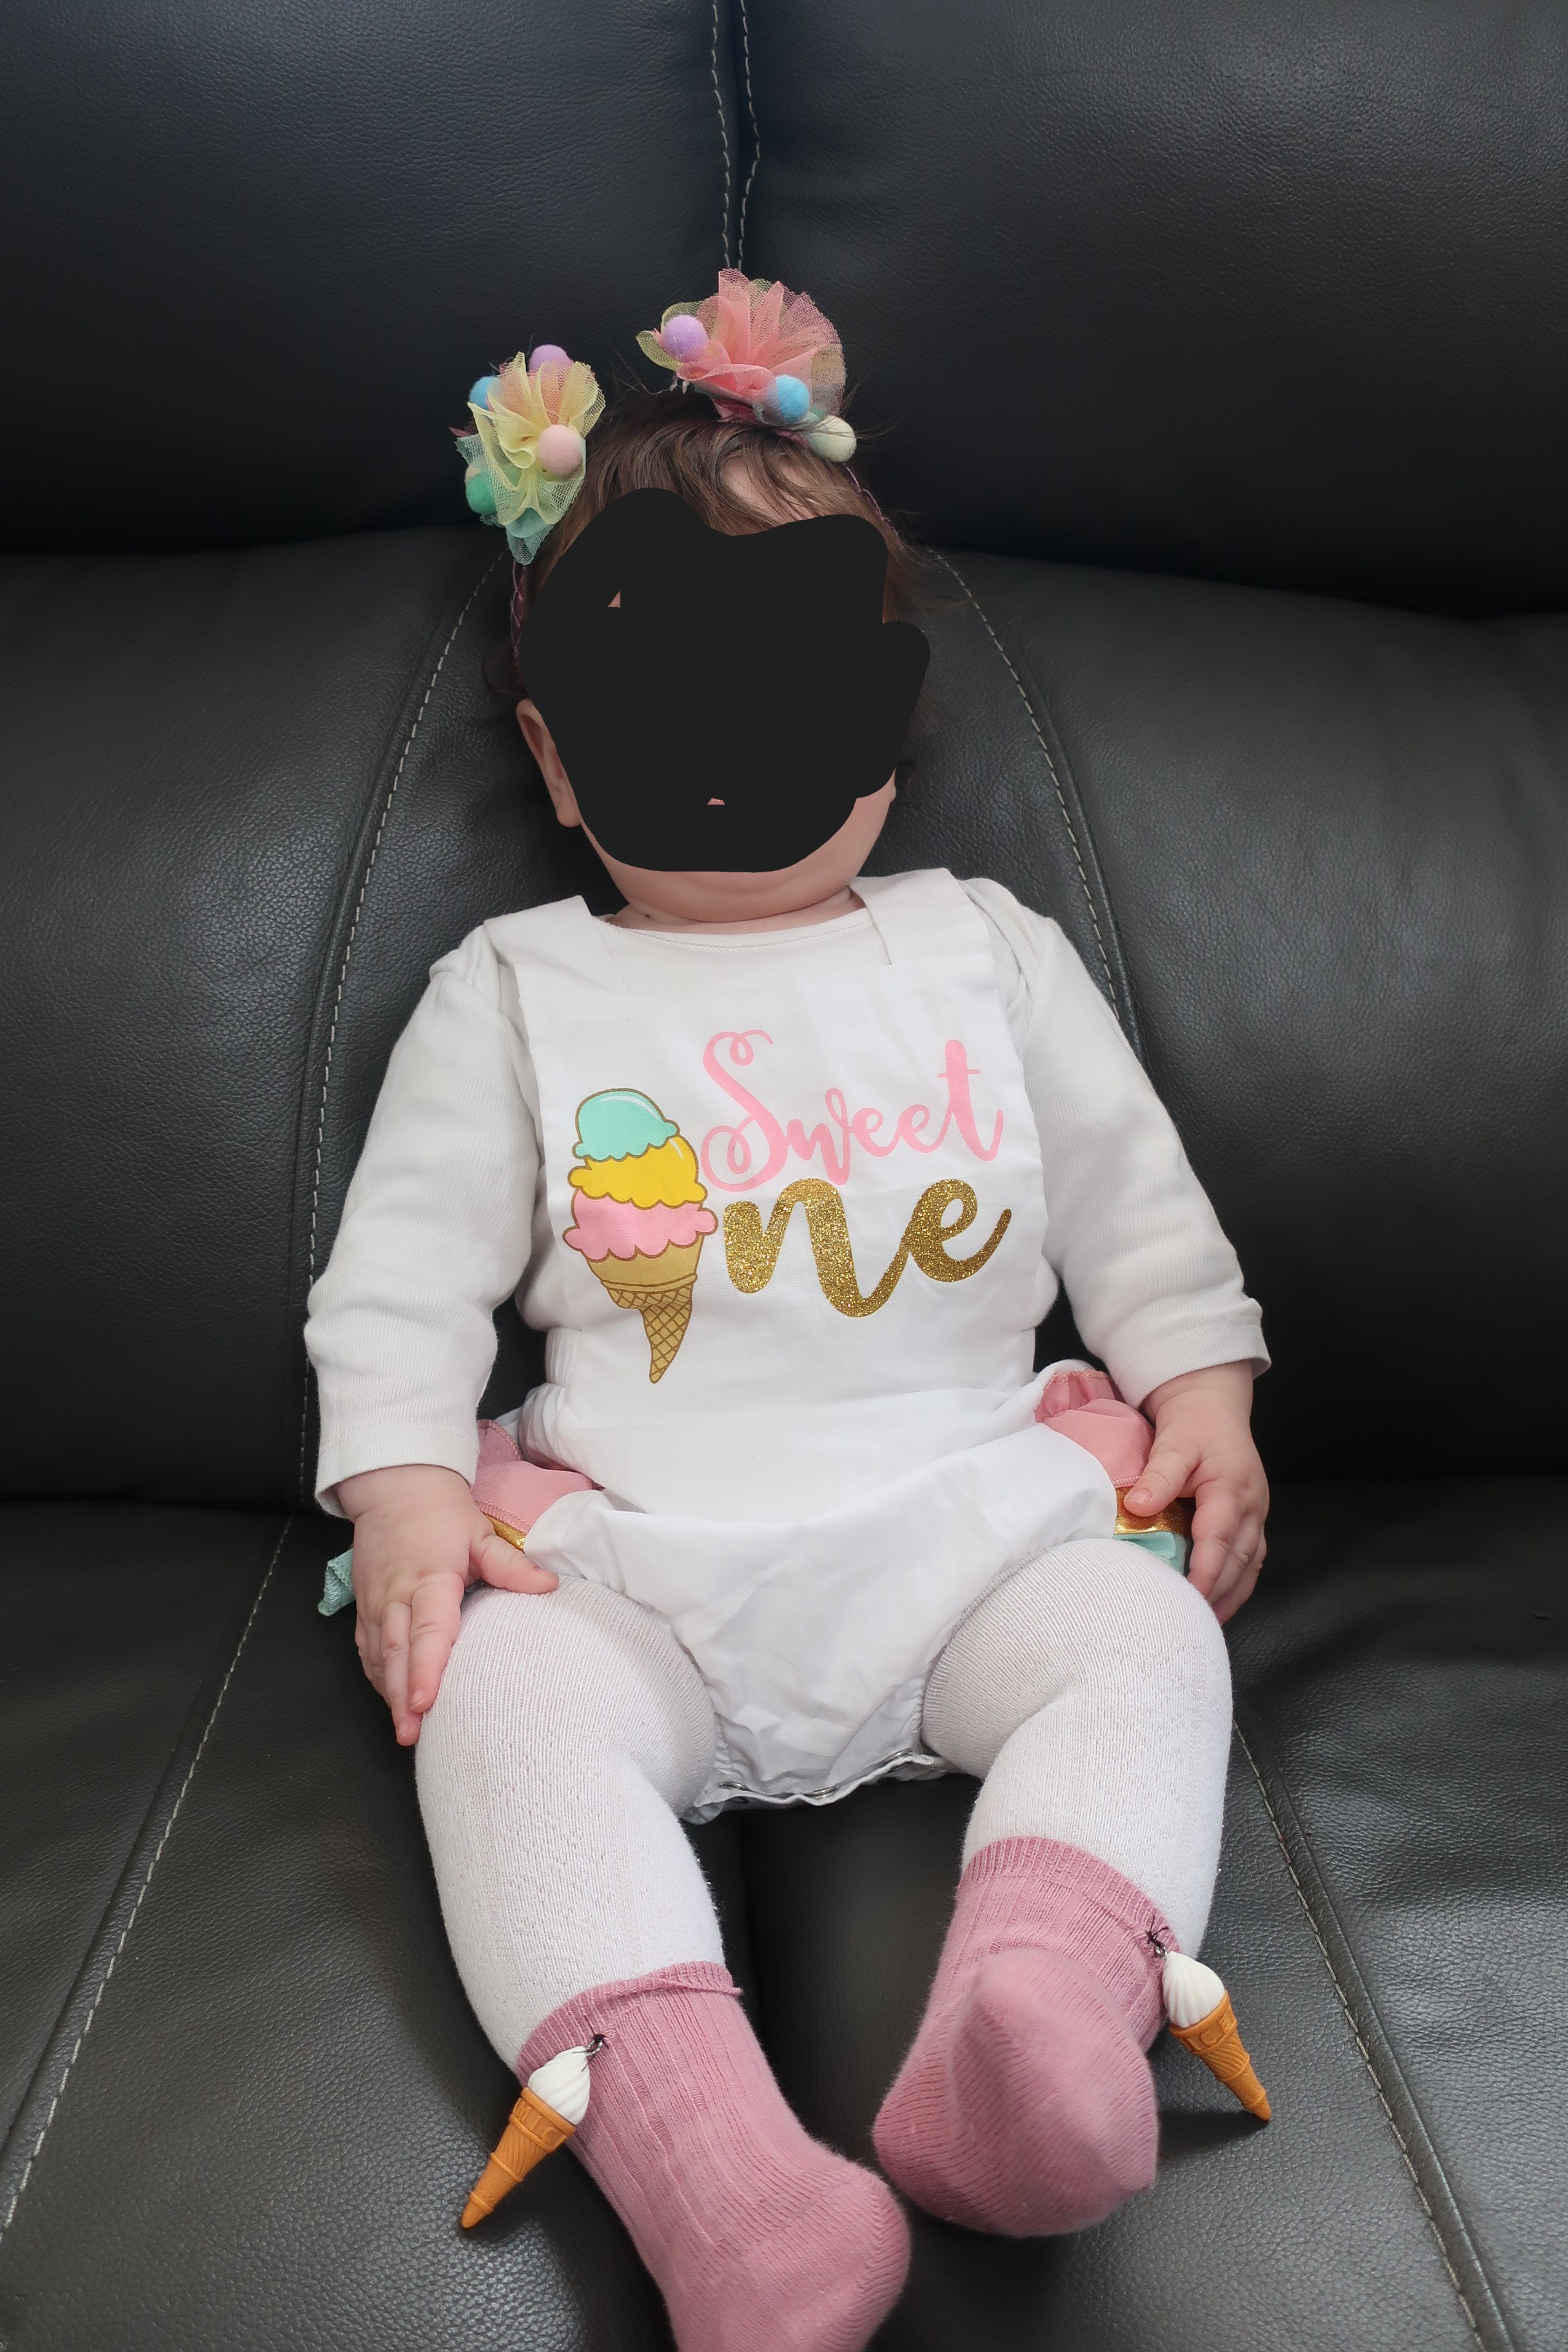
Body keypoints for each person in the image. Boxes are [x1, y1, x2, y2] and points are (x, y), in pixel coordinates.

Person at [306, 273, 1269, 2352]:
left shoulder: (984, 950)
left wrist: (1204, 1383)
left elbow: (1137, 1198)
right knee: (496, 1713)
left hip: (976, 1536)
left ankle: (1040, 2018)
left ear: (889, 729)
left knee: (1146, 1647)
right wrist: (399, 1488)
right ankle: (720, 2185)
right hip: (638, 1576)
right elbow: (399, 1279)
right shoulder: (517, 990)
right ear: (560, 758)